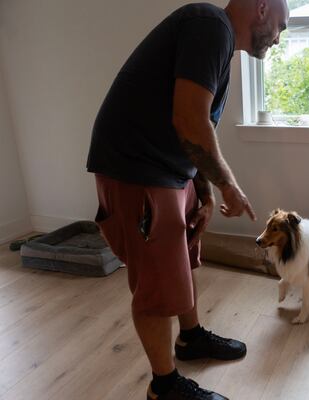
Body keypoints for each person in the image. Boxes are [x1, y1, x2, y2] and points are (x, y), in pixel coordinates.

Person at [86, 1, 288, 399]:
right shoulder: (209, 24)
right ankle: (164, 387)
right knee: (156, 284)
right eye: (282, 24)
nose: (279, 37)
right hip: (136, 169)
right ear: (262, 7)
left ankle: (191, 338)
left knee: (181, 258)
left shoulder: (218, 39)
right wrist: (229, 184)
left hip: (166, 168)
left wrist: (205, 190)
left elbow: (198, 126)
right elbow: (190, 121)